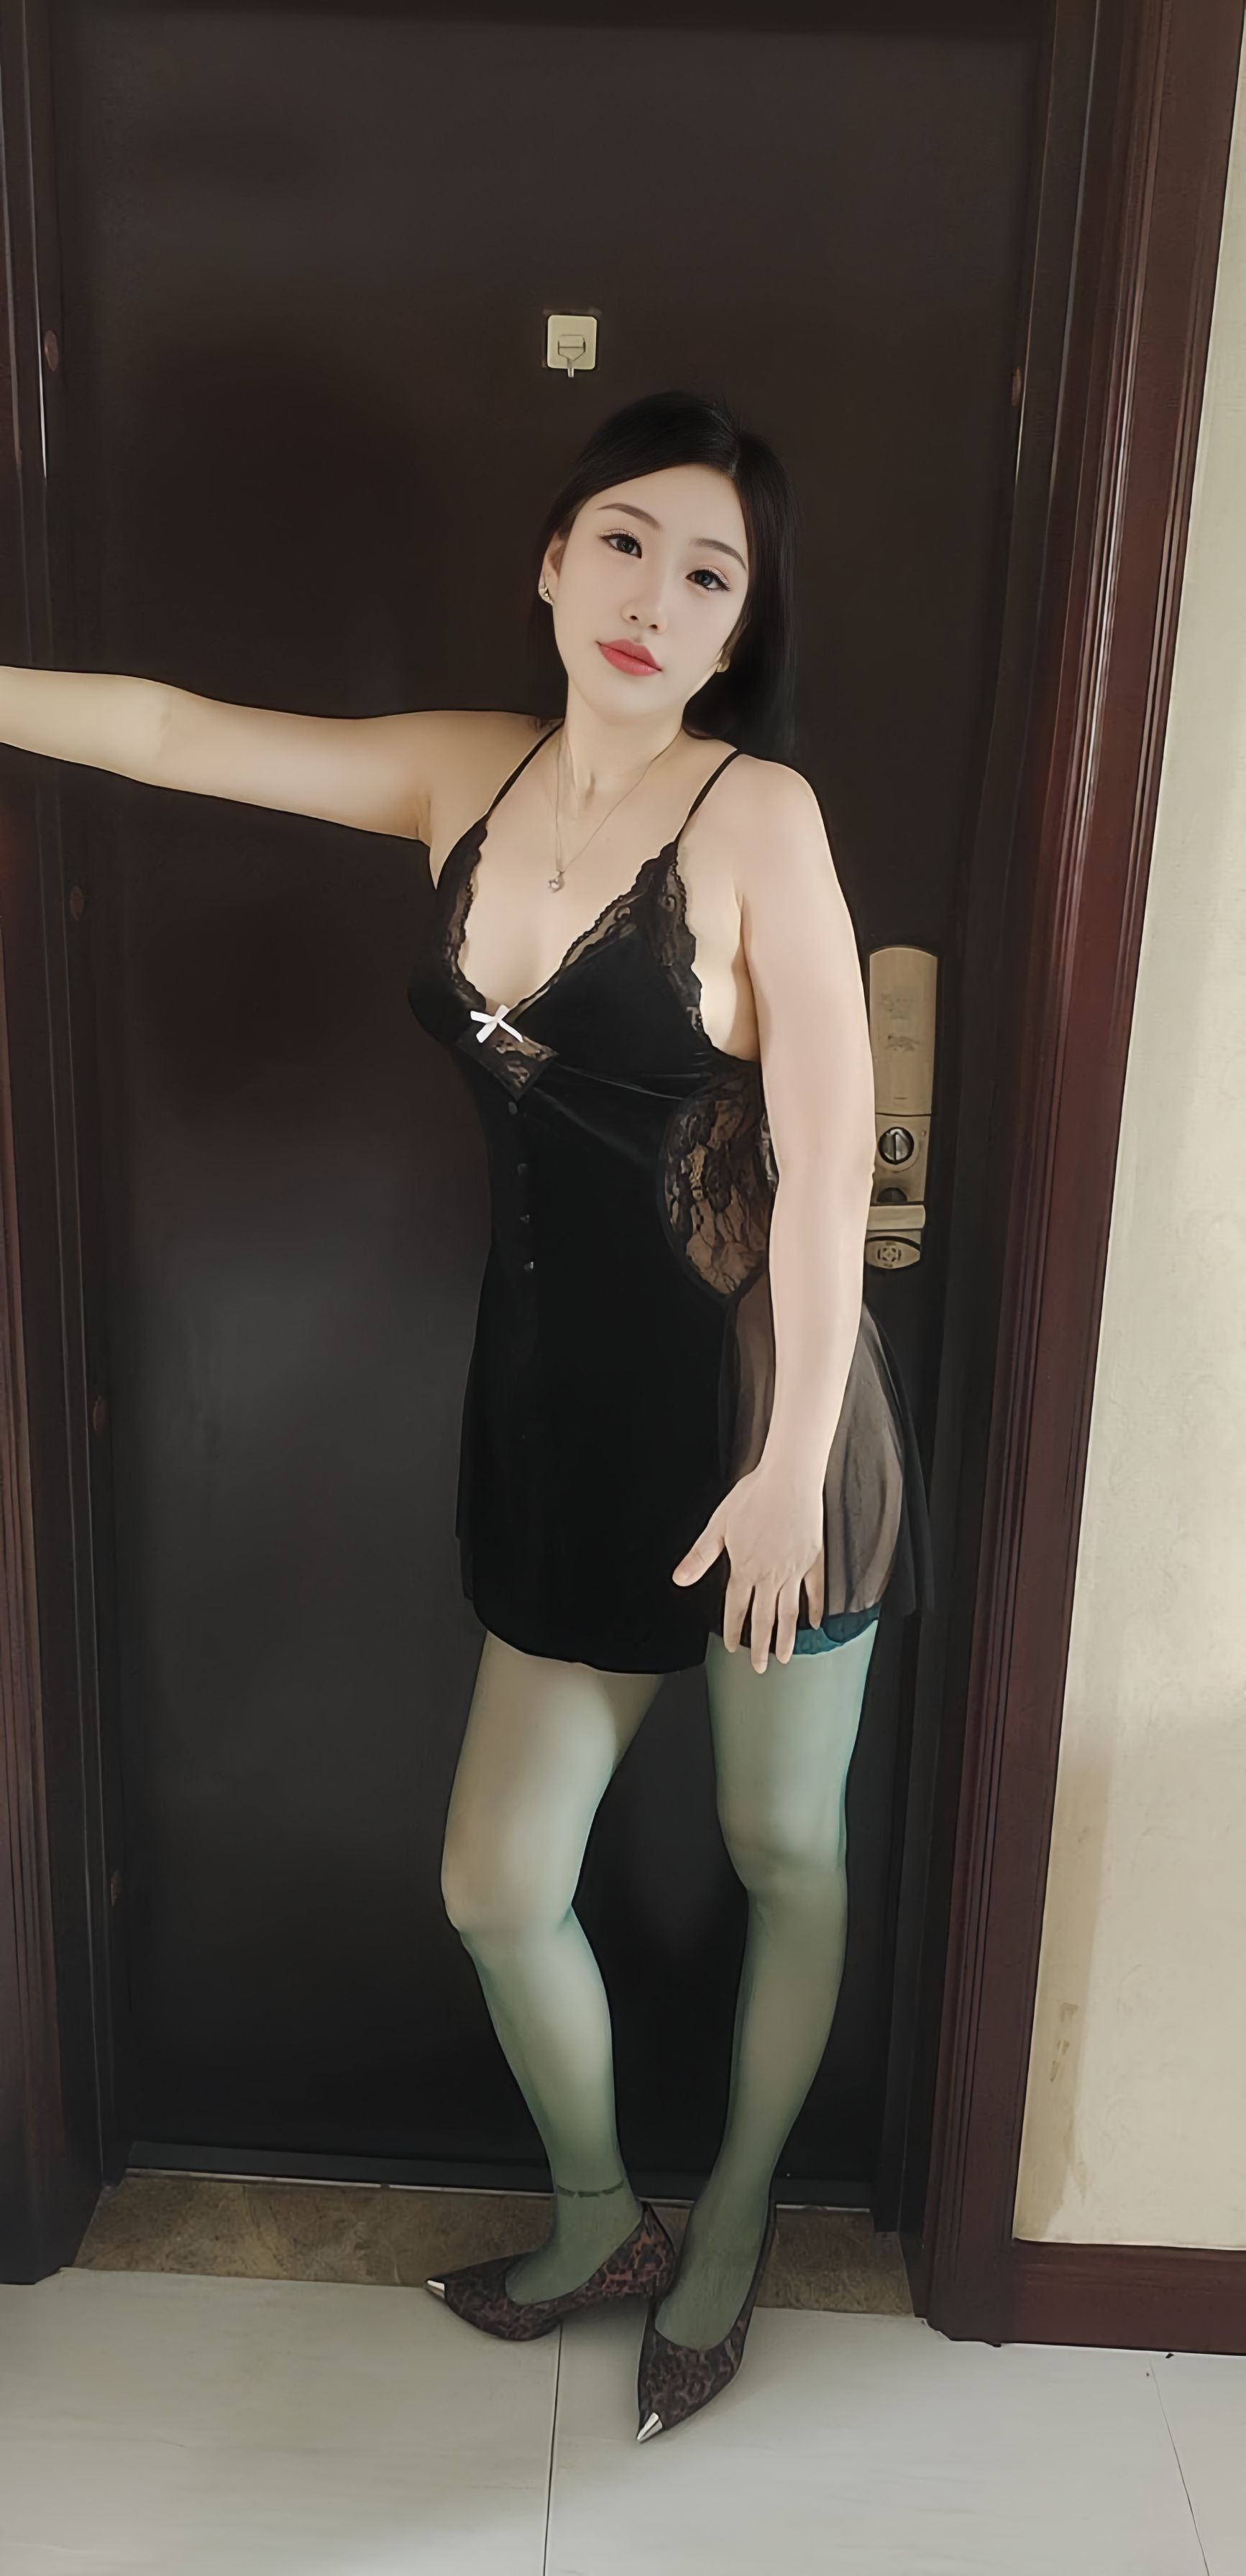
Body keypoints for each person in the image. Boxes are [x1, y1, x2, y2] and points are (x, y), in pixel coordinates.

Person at [0, 385, 932, 2439]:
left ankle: (735, 2223)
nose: (655, 598)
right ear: (553, 560)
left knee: (784, 1846)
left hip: (767, 1423)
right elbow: (174, 731)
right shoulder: (462, 773)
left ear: (741, 626)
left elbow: (829, 1155)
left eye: (711, 575)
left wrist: (792, 1467)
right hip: (558, 1418)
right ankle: (603, 2215)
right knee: (497, 1884)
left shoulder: (757, 816)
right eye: (626, 543)